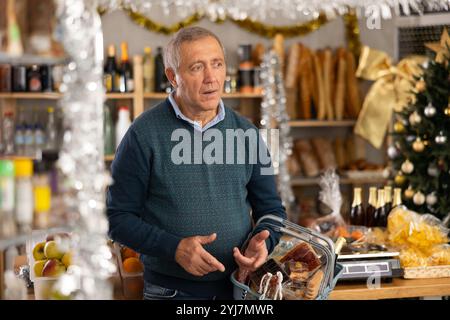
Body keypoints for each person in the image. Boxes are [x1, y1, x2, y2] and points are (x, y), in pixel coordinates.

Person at [106, 26, 286, 300]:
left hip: (240, 290)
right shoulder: (142, 134)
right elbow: (117, 218)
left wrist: (264, 241)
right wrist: (174, 247)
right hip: (170, 292)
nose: (211, 78)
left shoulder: (248, 132)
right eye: (197, 68)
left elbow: (272, 210)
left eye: (217, 64)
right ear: (172, 76)